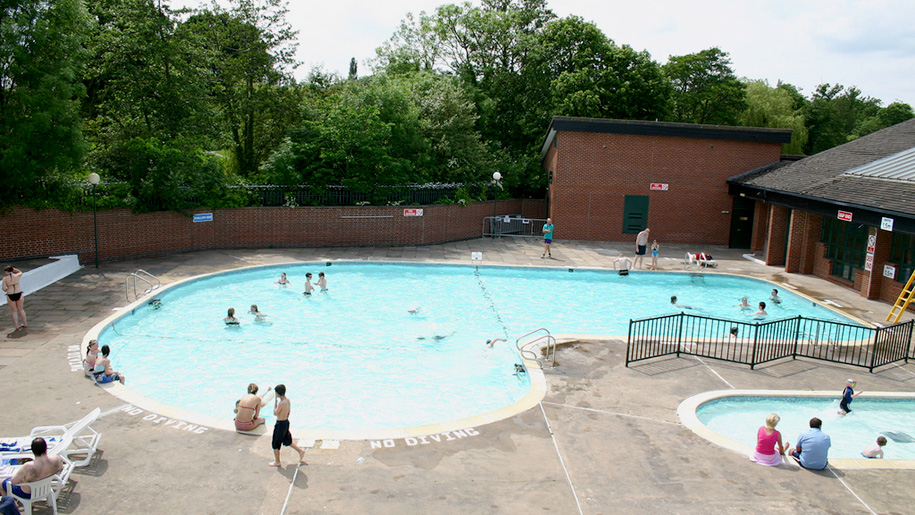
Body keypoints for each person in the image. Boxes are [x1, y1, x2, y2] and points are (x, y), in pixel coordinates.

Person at [269, 384, 307, 467]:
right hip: (285, 422)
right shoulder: (287, 400)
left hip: (280, 424)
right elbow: (288, 411)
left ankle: (277, 461)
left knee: (276, 443)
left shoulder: (281, 403)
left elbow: (275, 413)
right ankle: (300, 451)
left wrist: (275, 403)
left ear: (278, 393)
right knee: (287, 440)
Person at [2, 266, 27, 330]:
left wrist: (7, 289)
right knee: (21, 309)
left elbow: (4, 288)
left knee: (14, 311)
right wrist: (14, 269)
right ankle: (25, 324)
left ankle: (16, 326)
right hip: (18, 293)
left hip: (10, 294)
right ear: (12, 270)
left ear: (6, 272)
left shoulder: (5, 279)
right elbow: (20, 272)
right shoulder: (17, 276)